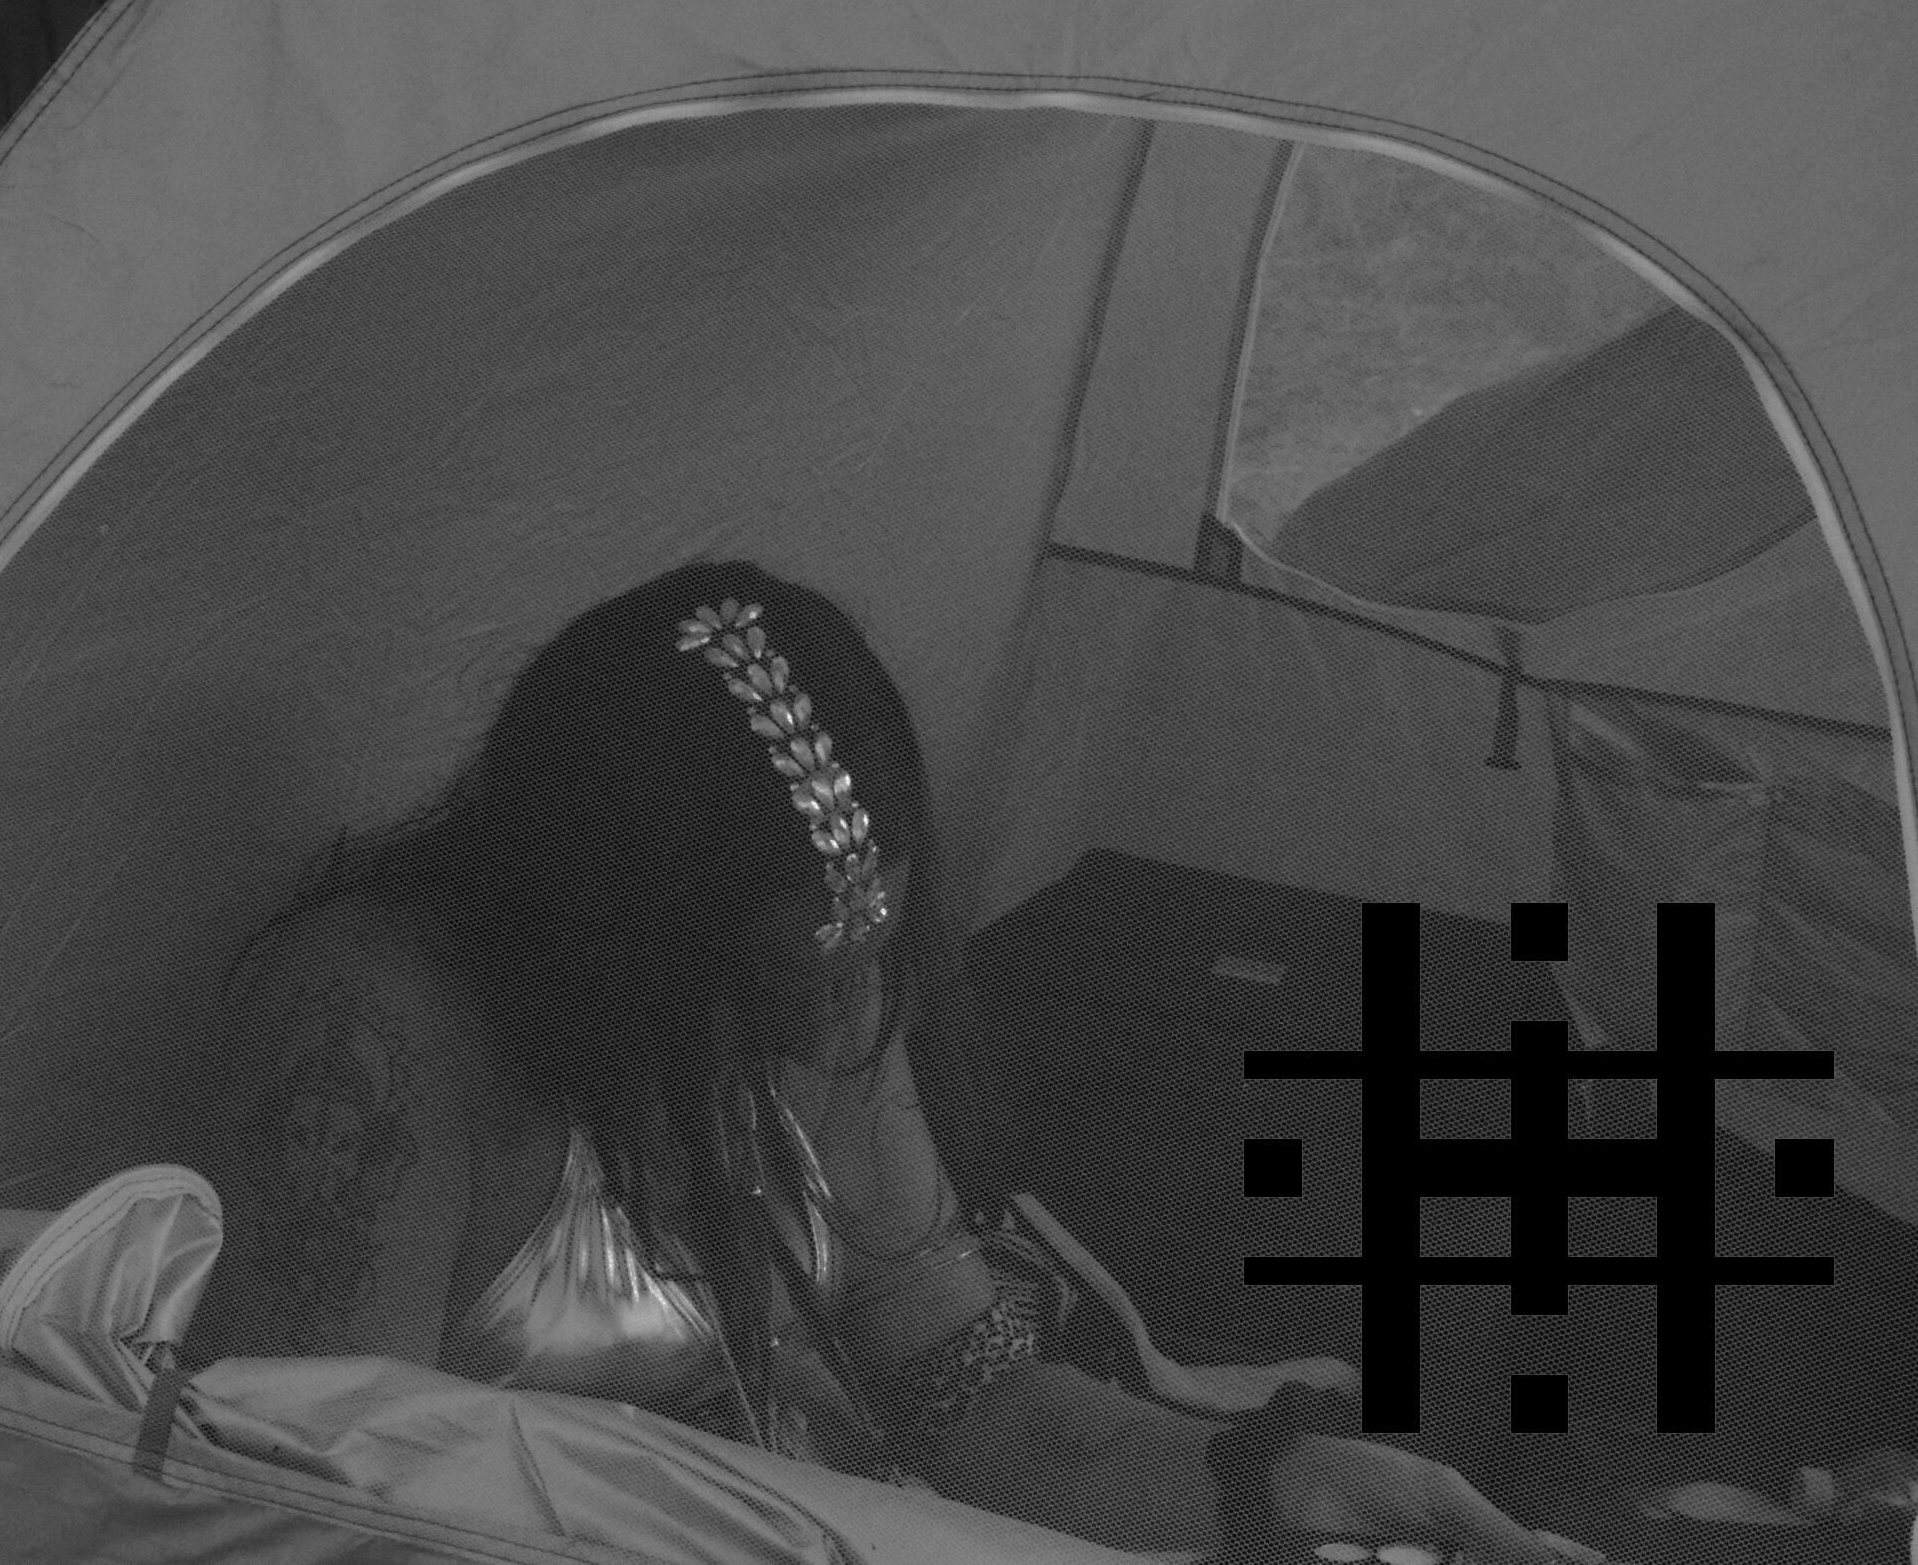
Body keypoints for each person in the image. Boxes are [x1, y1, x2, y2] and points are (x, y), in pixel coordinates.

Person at [183, 559, 1592, 1565]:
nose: (841, 1028)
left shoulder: (830, 986)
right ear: (623, 934)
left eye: (871, 956)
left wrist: (1267, 1486)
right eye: (776, 991)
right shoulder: (373, 1038)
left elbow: (981, 1406)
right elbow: (311, 1523)